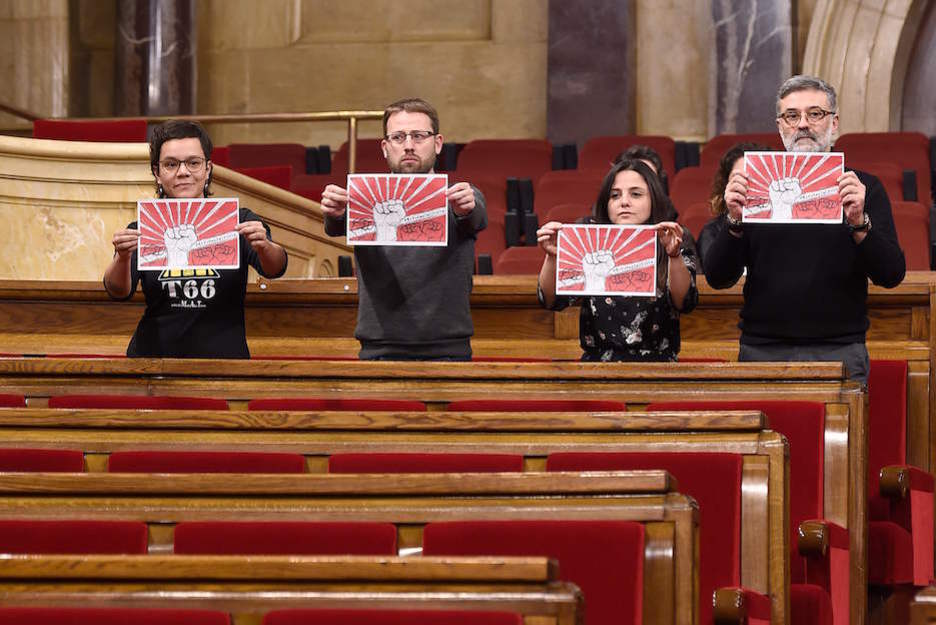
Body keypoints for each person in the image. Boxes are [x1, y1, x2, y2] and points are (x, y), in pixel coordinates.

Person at [703, 75, 906, 384]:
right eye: (792, 116)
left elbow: (891, 274)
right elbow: (718, 277)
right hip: (762, 350)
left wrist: (858, 222)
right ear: (780, 126)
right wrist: (734, 220)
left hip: (840, 349)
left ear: (834, 123)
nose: (803, 125)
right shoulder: (757, 187)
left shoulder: (862, 188)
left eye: (815, 114)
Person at [319, 98, 487, 360]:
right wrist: (335, 211)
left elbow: (475, 215)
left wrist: (466, 208)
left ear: (438, 143)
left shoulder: (460, 197)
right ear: (385, 147)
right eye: (398, 137)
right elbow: (335, 224)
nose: (408, 145)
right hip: (378, 349)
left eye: (419, 136)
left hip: (448, 350)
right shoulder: (362, 200)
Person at [104, 120, 288, 358]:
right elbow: (118, 292)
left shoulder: (237, 220)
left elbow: (275, 268)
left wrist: (264, 246)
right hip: (154, 362)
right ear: (157, 173)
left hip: (225, 362)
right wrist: (122, 257)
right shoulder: (144, 228)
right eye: (171, 164)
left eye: (193, 163)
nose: (183, 172)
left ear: (208, 169)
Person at [536, 158, 699, 362]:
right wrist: (552, 256)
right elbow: (550, 301)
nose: (624, 202)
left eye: (636, 194)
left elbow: (685, 302)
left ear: (654, 199)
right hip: (597, 366)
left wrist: (673, 255)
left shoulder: (673, 238)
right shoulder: (589, 240)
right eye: (615, 195)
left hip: (659, 367)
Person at [695, 141, 771, 267]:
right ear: (726, 185)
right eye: (739, 178)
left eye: (757, 177)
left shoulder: (784, 227)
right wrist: (735, 222)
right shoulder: (713, 230)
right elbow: (716, 276)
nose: (746, 185)